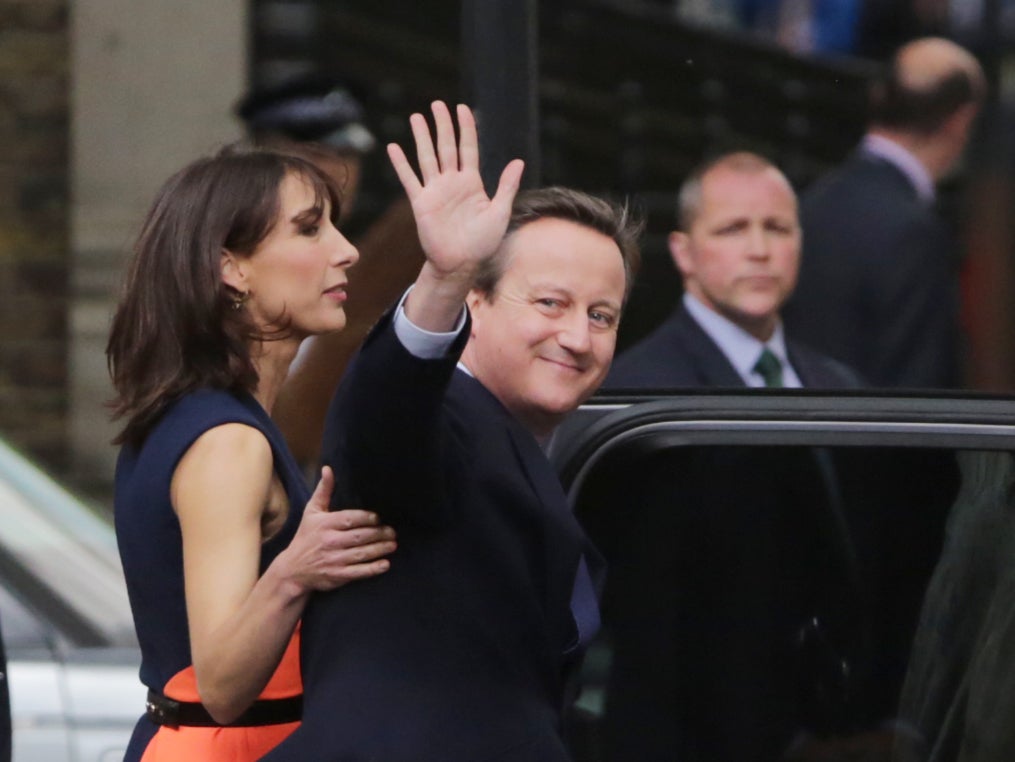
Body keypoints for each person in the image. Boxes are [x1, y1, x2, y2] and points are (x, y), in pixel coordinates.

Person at [261, 101, 642, 762]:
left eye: (601, 315)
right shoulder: (448, 424)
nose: (577, 337)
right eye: (549, 303)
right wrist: (440, 280)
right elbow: (385, 420)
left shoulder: (525, 443)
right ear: (476, 301)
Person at [106, 146, 397, 761]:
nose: (346, 250)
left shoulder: (209, 419)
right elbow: (221, 683)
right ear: (231, 269)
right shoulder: (227, 442)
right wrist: (297, 567)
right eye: (310, 228)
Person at [237, 74, 427, 468]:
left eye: (348, 153)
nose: (338, 169)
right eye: (318, 152)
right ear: (266, 157)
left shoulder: (386, 253)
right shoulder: (230, 261)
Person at [783, 37, 986, 389]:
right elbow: (918, 393)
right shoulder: (915, 233)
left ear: (879, 96)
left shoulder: (812, 203)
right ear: (961, 121)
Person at [607, 150, 860, 390]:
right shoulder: (635, 387)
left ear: (800, 242)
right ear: (683, 252)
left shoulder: (840, 384)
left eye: (777, 228)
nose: (760, 251)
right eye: (733, 229)